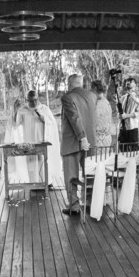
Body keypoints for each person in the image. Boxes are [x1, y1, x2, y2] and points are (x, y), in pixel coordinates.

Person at [59, 74, 96, 217]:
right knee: (90, 173)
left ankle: (74, 206)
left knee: (71, 176)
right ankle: (89, 202)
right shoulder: (92, 96)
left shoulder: (67, 97)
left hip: (73, 142)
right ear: (81, 83)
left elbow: (74, 117)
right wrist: (87, 139)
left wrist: (82, 137)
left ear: (69, 84)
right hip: (91, 142)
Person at [13, 89, 60, 188]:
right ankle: (34, 184)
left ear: (38, 98)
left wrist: (45, 120)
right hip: (29, 142)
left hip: (41, 141)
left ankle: (47, 182)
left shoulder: (44, 109)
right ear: (27, 100)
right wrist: (15, 110)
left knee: (44, 161)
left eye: (35, 100)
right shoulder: (22, 110)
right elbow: (15, 124)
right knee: (32, 164)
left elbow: (52, 123)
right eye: (31, 101)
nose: (34, 103)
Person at [117, 76, 139, 146]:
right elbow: (119, 112)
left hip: (132, 128)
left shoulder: (138, 98)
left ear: (135, 84)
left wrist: (126, 116)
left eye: (131, 81)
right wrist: (119, 115)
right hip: (122, 128)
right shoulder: (123, 98)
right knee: (122, 149)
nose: (128, 83)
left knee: (134, 149)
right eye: (127, 81)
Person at [90, 79, 114, 148]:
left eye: (91, 88)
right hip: (107, 138)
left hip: (98, 139)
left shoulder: (96, 103)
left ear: (95, 88)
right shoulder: (107, 103)